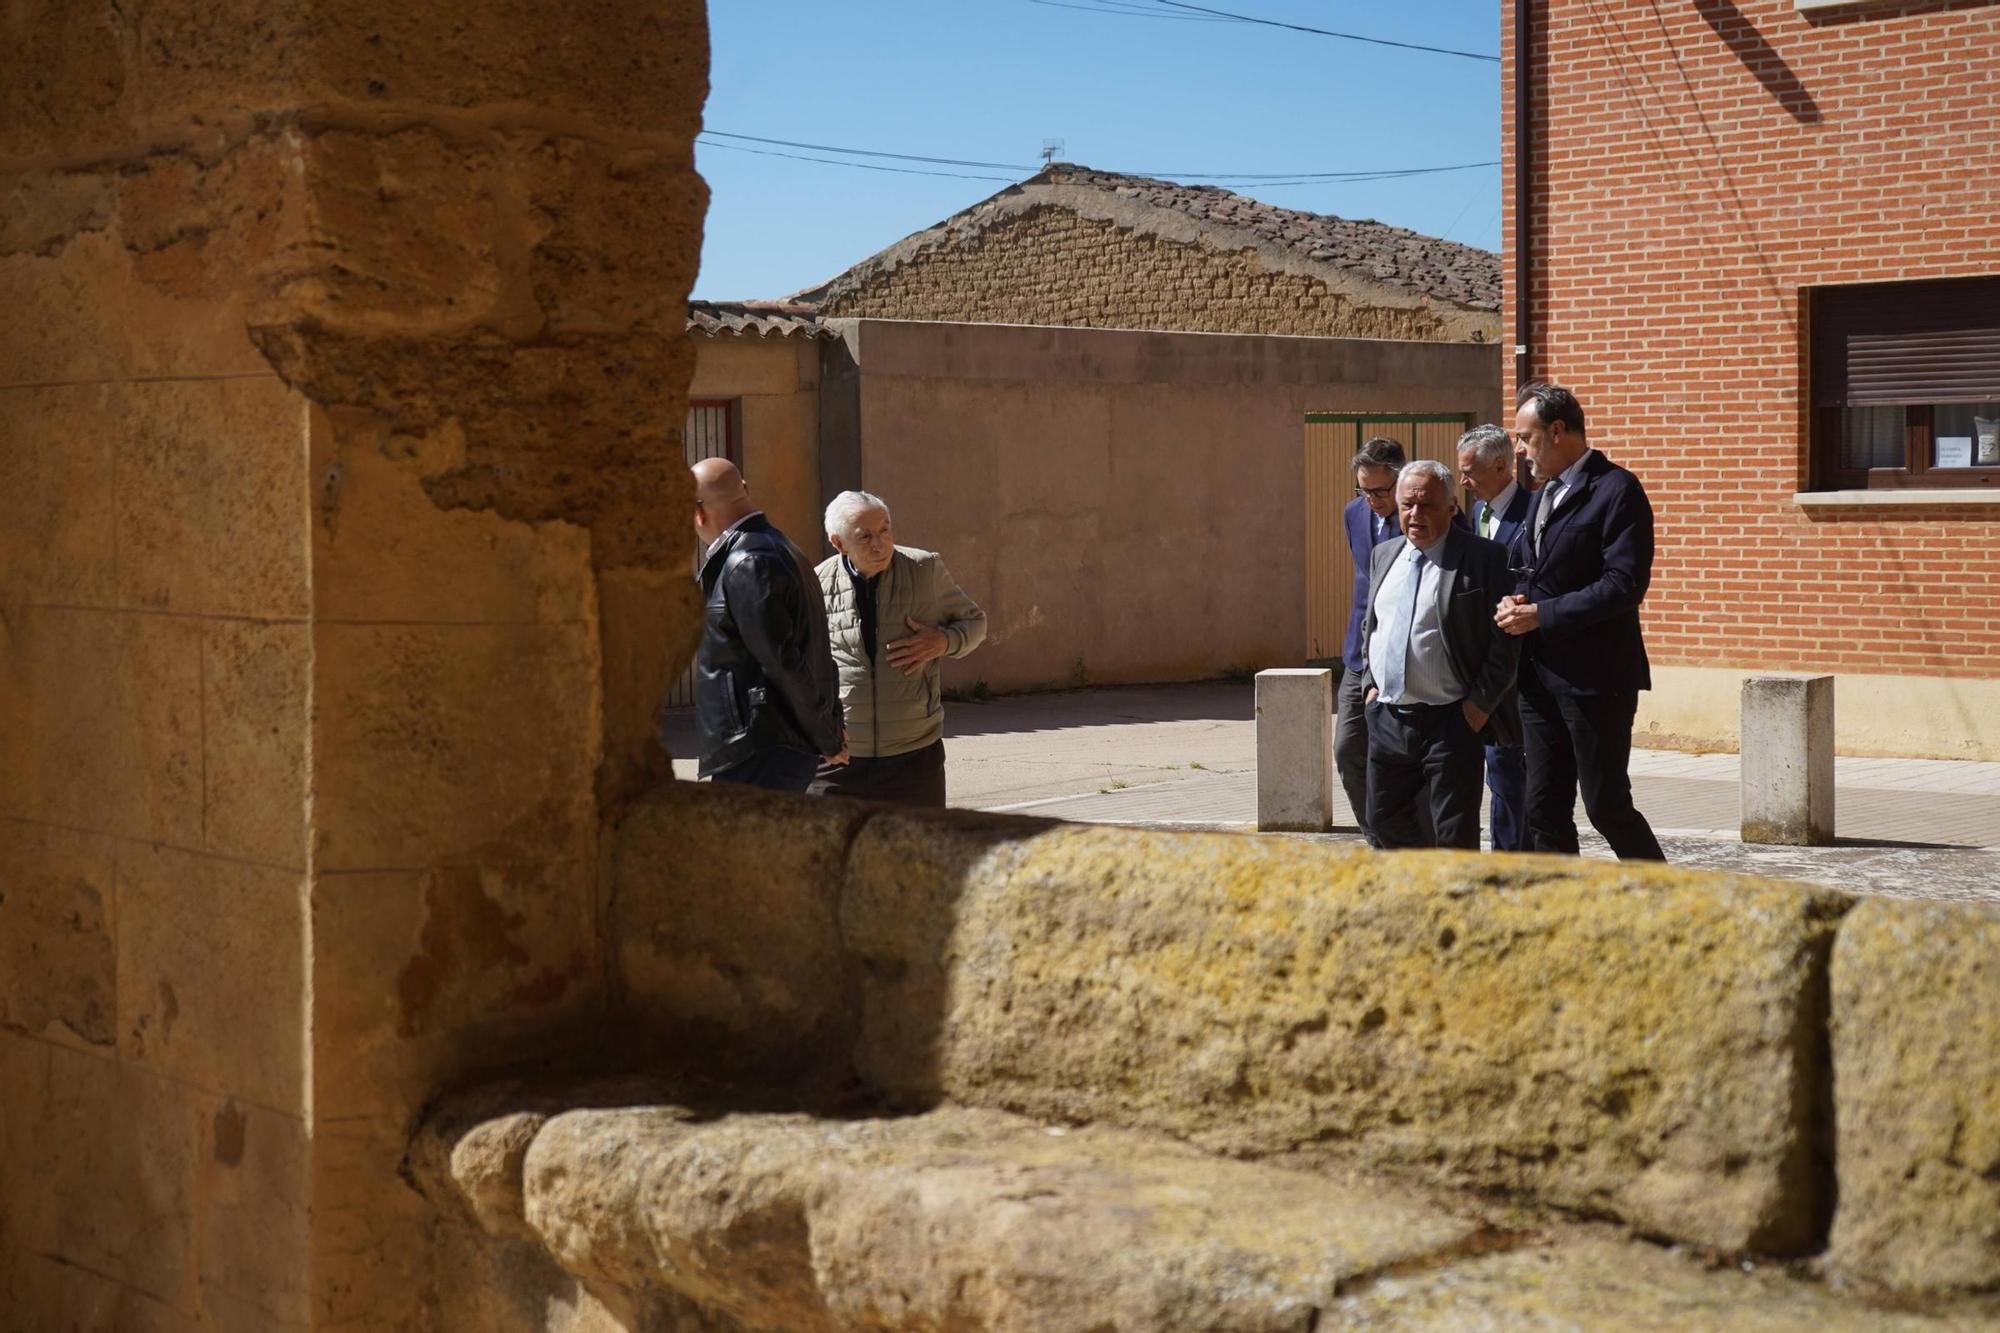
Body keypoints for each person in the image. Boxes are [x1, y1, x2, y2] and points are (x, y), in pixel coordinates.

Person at [1495, 383, 1666, 861]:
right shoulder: (1542, 493)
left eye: (1526, 438)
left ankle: (1665, 901)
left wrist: (1542, 614)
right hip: (1538, 678)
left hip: (1595, 680)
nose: (1521, 451)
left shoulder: (1616, 489)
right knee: (1542, 807)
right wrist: (1515, 601)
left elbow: (1623, 584)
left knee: (1606, 805)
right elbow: (1538, 569)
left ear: (1557, 431)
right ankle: (1560, 907)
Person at [1359, 461, 1521, 849]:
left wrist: (1480, 704)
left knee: (1453, 832)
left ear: (1451, 507)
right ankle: (1418, 895)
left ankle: (1454, 905)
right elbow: (1373, 625)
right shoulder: (1385, 554)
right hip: (1389, 716)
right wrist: (1370, 686)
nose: (1415, 515)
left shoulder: (1484, 559)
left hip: (1451, 720)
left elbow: (1506, 640)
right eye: (1407, 505)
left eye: (1427, 505)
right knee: (1382, 820)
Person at [811, 490, 987, 807]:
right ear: (839, 543)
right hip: (840, 758)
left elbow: (975, 623)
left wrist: (944, 641)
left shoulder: (924, 570)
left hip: (913, 754)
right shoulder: (817, 584)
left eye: (885, 530)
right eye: (865, 537)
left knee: (917, 852)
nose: (880, 544)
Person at [685, 458, 845, 791]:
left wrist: (828, 737)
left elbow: (784, 663)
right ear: (744, 489)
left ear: (698, 512)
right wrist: (829, 728)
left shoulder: (748, 561)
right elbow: (814, 650)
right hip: (772, 746)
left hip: (760, 749)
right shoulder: (780, 549)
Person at [1456, 423, 1535, 852]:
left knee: (1508, 770)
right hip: (1479, 664)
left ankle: (1513, 861)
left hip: (1520, 667)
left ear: (1502, 465)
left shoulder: (1533, 513)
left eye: (1470, 472)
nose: (1463, 481)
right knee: (1495, 769)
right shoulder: (1475, 516)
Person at [1336, 437, 1410, 845]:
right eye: (1364, 490)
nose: (1373, 500)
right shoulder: (1353, 515)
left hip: (1406, 655)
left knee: (1403, 758)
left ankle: (1412, 842)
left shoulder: (1424, 515)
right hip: (1358, 655)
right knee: (1348, 747)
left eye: (1381, 491)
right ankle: (1378, 840)